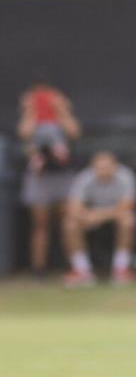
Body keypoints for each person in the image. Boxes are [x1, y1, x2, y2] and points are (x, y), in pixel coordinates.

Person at [17, 75, 81, 277]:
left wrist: (61, 108)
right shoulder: (32, 116)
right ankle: (39, 270)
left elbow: (74, 132)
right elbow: (24, 134)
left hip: (63, 176)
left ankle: (76, 267)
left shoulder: (60, 116)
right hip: (39, 178)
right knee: (40, 225)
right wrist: (31, 110)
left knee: (69, 222)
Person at [60, 150, 136, 287]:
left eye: (108, 167)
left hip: (111, 216)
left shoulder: (126, 176)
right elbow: (73, 207)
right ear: (92, 168)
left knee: (128, 220)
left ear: (115, 167)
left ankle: (121, 269)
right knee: (70, 223)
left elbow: (127, 207)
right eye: (100, 168)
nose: (104, 171)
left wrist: (98, 215)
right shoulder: (84, 178)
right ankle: (82, 271)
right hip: (89, 217)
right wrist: (86, 216)